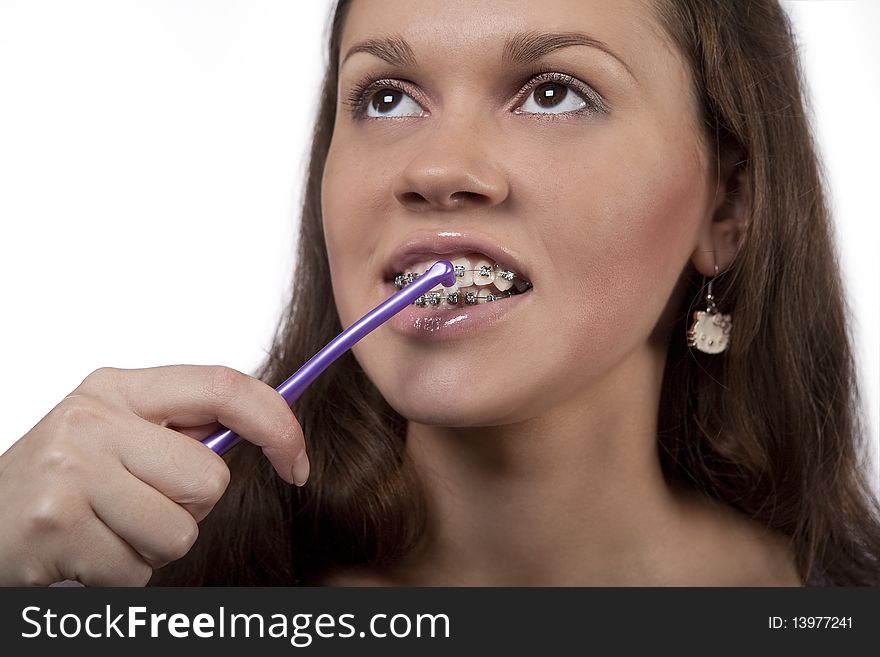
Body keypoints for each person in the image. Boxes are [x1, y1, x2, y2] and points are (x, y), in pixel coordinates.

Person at [1, 0, 878, 587]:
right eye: (385, 97)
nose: (436, 168)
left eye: (554, 92)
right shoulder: (146, 594)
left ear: (727, 207)